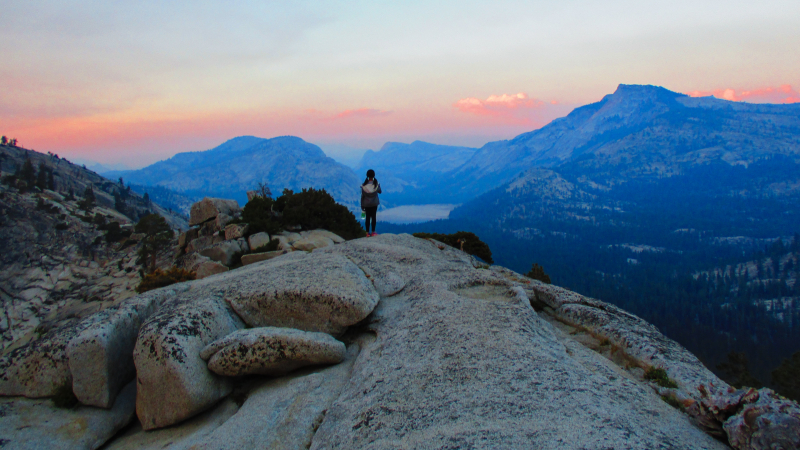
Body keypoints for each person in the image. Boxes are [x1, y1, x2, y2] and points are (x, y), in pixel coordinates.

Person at [361, 169, 381, 236]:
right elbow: (380, 191)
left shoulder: (364, 186)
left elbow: (362, 196)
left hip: (366, 204)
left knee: (367, 218)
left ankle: (367, 232)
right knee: (373, 217)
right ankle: (373, 232)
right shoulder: (376, 184)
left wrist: (362, 205)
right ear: (374, 175)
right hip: (374, 203)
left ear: (367, 175)